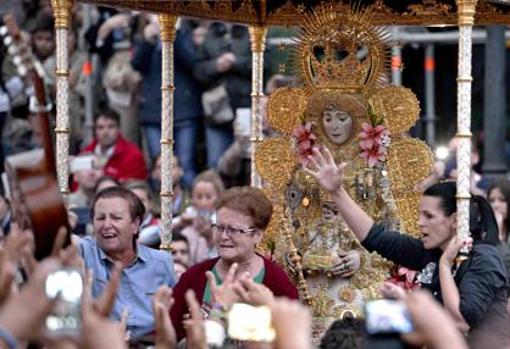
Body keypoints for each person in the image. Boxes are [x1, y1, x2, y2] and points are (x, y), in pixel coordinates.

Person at [305, 147, 510, 348]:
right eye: (421, 214)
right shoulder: (430, 251)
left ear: (454, 221)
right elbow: (377, 238)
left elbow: (461, 321)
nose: (420, 222)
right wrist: (337, 191)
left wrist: (445, 267)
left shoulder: (484, 257)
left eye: (429, 216)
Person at [170, 186, 299, 340]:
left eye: (234, 230)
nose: (223, 236)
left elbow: (292, 339)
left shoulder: (277, 282)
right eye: (219, 227)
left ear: (257, 235)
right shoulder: (194, 277)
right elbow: (170, 336)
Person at [79, 186, 176, 340]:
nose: (107, 225)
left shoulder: (161, 262)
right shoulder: (84, 252)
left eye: (116, 218)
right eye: (100, 218)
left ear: (135, 224)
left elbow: (174, 315)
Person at [82, 106, 148, 182]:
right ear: (95, 131)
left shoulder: (133, 155)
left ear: (119, 129)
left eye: (111, 127)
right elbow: (76, 186)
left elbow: (136, 189)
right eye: (100, 127)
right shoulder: (86, 153)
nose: (105, 132)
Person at [174, 169, 224, 265]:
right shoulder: (189, 214)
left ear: (219, 197)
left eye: (208, 197)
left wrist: (209, 234)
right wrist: (180, 222)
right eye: (199, 197)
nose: (203, 202)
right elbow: (164, 229)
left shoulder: (221, 219)